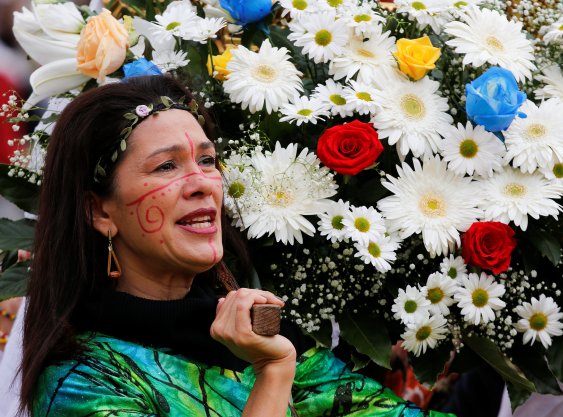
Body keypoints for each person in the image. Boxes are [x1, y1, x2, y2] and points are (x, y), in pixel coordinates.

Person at [19, 74, 453, 417]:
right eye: (167, 166)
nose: (203, 184)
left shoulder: (253, 330)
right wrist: (271, 374)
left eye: (206, 160)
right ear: (100, 212)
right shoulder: (81, 381)